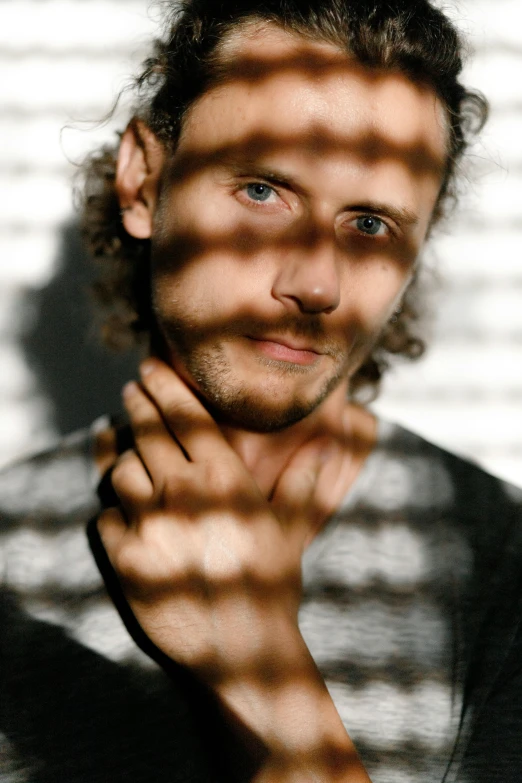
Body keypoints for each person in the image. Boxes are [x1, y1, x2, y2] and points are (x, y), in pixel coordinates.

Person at [1, 1, 521, 781]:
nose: (316, 280)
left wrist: (262, 665)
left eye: (372, 224)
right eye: (262, 190)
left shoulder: (500, 575)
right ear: (143, 181)